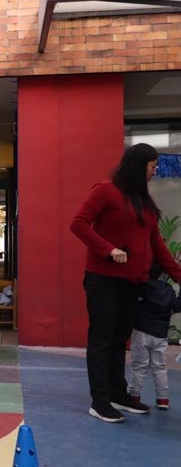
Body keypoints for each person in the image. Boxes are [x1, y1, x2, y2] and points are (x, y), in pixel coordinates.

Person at [70, 143, 181, 423]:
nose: (155, 171)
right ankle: (100, 401)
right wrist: (108, 249)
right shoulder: (105, 191)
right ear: (138, 165)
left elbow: (157, 244)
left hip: (133, 282)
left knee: (120, 341)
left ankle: (118, 395)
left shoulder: (143, 201)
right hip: (104, 280)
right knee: (102, 341)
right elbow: (78, 223)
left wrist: (179, 276)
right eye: (152, 166)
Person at [128, 265, 181, 411]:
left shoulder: (142, 288)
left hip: (142, 332)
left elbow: (133, 306)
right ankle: (163, 399)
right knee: (160, 367)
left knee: (139, 366)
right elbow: (177, 306)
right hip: (161, 335)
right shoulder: (169, 290)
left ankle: (134, 396)